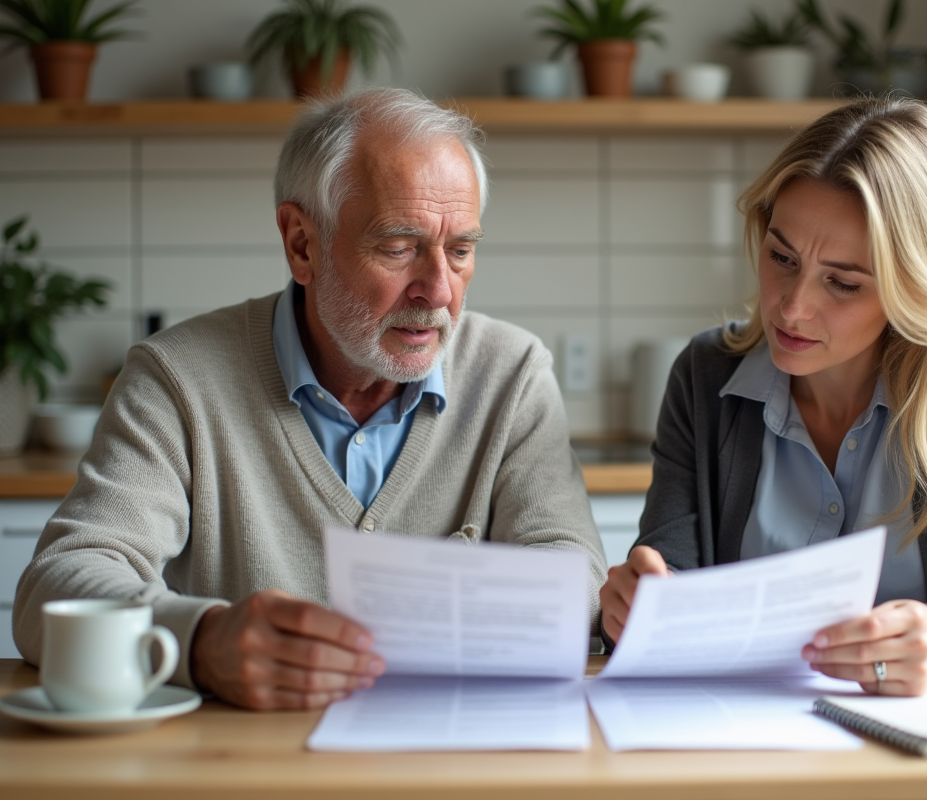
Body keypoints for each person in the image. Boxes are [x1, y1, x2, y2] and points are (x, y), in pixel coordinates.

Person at [14, 88, 606, 710]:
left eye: (460, 251)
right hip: (241, 767)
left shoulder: (511, 373)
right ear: (302, 243)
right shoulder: (176, 379)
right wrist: (202, 643)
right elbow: (56, 589)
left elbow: (577, 578)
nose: (437, 290)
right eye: (399, 247)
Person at [599, 96, 927, 696]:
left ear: (917, 286)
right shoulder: (705, 376)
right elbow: (668, 579)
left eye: (843, 283)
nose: (793, 307)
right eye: (781, 257)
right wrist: (638, 607)